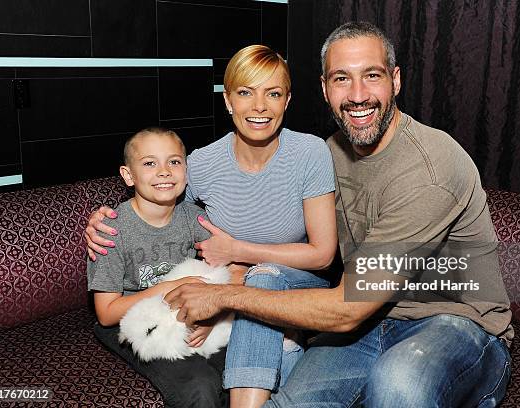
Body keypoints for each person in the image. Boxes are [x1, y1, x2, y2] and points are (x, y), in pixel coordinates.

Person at [160, 22, 514, 407]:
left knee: (398, 383)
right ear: (325, 89)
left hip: (456, 322)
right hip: (370, 324)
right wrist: (119, 221)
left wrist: (227, 296)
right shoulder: (328, 153)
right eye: (342, 79)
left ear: (395, 81)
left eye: (372, 76)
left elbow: (346, 308)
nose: (358, 95)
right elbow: (175, 192)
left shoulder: (430, 170)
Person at [86, 45, 337, 408]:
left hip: (296, 277)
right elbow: (167, 219)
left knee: (264, 277)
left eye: (274, 93)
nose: (260, 106)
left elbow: (322, 254)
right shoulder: (200, 164)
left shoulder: (310, 153)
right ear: (228, 100)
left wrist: (237, 253)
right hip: (231, 286)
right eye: (246, 92)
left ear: (288, 100)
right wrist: (103, 220)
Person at [87, 127, 232, 408]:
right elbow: (105, 314)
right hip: (130, 322)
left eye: (174, 162)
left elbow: (230, 262)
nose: (165, 171)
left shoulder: (194, 218)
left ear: (186, 171)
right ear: (128, 175)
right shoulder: (111, 230)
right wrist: (166, 288)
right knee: (199, 387)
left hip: (183, 314)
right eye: (150, 163)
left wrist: (210, 317)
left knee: (237, 367)